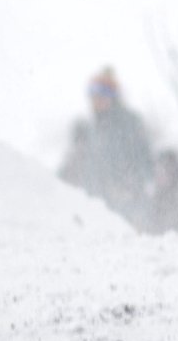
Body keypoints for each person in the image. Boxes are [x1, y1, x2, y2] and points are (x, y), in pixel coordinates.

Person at [58, 67, 157, 228]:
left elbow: (144, 160)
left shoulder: (129, 124)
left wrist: (130, 186)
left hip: (128, 204)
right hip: (97, 206)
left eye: (101, 95)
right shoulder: (91, 129)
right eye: (92, 96)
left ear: (112, 96)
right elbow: (83, 166)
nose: (95, 100)